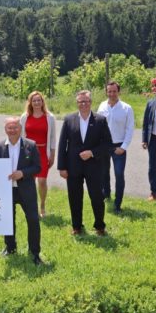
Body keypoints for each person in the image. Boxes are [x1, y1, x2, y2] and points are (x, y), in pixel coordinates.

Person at [57, 90, 111, 236]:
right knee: (74, 197)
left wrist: (92, 153)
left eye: (86, 101)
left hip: (94, 166)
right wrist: (61, 167)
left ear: (91, 103)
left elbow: (107, 145)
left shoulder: (100, 120)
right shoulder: (69, 119)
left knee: (97, 197)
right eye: (81, 102)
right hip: (73, 166)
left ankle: (100, 226)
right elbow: (63, 144)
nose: (83, 104)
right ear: (77, 103)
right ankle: (77, 226)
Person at [0, 117, 42, 265]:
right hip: (7, 190)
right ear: (5, 129)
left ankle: (34, 252)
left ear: (20, 129)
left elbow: (37, 167)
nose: (12, 130)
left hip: (26, 189)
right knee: (8, 221)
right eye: (9, 127)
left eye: (15, 127)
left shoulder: (31, 145)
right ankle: (10, 248)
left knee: (33, 220)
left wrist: (22, 173)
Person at [97, 82, 135, 213]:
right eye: (109, 91)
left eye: (114, 91)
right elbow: (98, 125)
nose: (112, 94)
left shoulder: (127, 108)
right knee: (103, 173)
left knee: (119, 174)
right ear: (106, 92)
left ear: (119, 92)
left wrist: (123, 147)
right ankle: (105, 195)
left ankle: (118, 204)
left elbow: (130, 129)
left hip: (119, 147)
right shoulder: (102, 106)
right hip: (104, 146)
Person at [20, 91, 56, 218]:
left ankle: (42, 205)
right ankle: (32, 206)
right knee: (30, 181)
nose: (36, 103)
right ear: (30, 102)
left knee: (42, 181)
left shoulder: (49, 117)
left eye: (39, 100)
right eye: (34, 100)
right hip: (29, 153)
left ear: (42, 102)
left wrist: (52, 153)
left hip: (43, 152)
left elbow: (52, 137)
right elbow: (21, 136)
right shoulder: (25, 117)